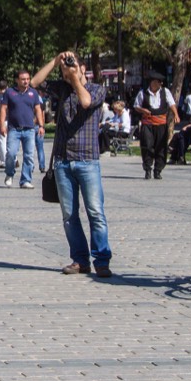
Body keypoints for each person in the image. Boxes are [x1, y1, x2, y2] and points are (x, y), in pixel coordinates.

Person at [31, 51, 113, 278]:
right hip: (63, 162)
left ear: (83, 68)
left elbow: (86, 101)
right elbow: (35, 82)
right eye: (66, 69)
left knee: (95, 212)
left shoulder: (97, 89)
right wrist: (56, 61)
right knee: (69, 215)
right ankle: (80, 260)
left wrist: (75, 74)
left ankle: (102, 260)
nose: (67, 71)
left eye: (73, 66)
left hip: (87, 160)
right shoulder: (62, 87)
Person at [0, 69, 43, 189]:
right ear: (17, 80)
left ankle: (25, 180)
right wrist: (2, 125)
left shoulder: (33, 93)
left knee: (29, 156)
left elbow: (38, 109)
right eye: (23, 79)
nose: (26, 81)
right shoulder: (9, 92)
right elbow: (3, 109)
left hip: (29, 129)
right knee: (11, 154)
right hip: (14, 129)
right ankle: (9, 173)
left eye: (28, 79)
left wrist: (41, 125)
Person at [134, 71, 179, 179]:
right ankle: (148, 169)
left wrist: (176, 115)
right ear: (151, 83)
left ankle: (158, 170)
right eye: (155, 82)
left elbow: (171, 104)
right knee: (147, 146)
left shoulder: (165, 92)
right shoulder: (143, 93)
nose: (157, 85)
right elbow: (136, 106)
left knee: (161, 147)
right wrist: (142, 110)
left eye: (158, 83)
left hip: (161, 125)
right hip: (148, 125)